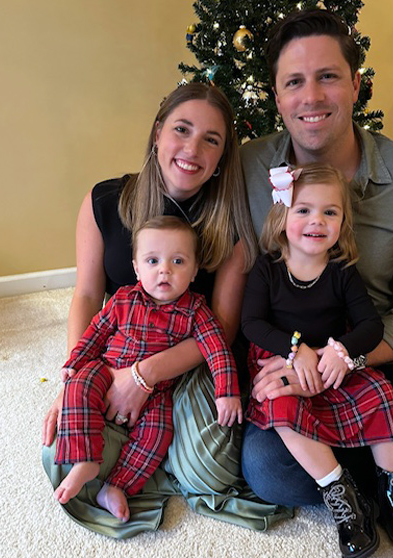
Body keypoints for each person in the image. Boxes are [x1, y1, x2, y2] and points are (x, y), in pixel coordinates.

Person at [240, 4, 393, 528]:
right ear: (277, 96)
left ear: (355, 83)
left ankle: (383, 452)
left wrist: (342, 361)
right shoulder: (249, 166)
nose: (311, 97)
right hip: (291, 356)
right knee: (270, 471)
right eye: (295, 82)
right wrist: (290, 359)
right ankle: (382, 454)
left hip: (392, 348)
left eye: (328, 76)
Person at [42, 83, 290, 536]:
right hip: (117, 351)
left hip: (190, 364)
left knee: (213, 474)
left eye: (211, 140)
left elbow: (223, 328)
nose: (192, 149)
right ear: (158, 133)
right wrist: (73, 380)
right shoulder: (103, 201)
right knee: (57, 453)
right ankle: (136, 460)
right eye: (182, 129)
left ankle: (143, 461)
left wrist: (145, 377)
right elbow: (86, 296)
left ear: (220, 158)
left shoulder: (232, 221)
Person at [242, 163, 393, 556]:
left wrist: (340, 352)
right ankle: (343, 498)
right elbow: (252, 324)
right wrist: (296, 349)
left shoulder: (342, 271)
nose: (317, 221)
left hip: (334, 362)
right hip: (283, 359)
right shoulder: (267, 269)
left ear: (343, 222)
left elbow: (370, 326)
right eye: (303, 210)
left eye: (330, 212)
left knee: (380, 391)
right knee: (281, 410)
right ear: (281, 216)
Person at [54, 216, 242, 523]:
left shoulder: (196, 310)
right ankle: (84, 458)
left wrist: (226, 393)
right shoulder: (123, 299)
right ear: (137, 268)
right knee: (78, 387)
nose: (164, 270)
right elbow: (96, 332)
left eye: (178, 261)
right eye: (152, 261)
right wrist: (73, 363)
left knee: (159, 431)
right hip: (108, 369)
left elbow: (218, 350)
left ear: (194, 271)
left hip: (158, 390)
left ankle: (117, 486)